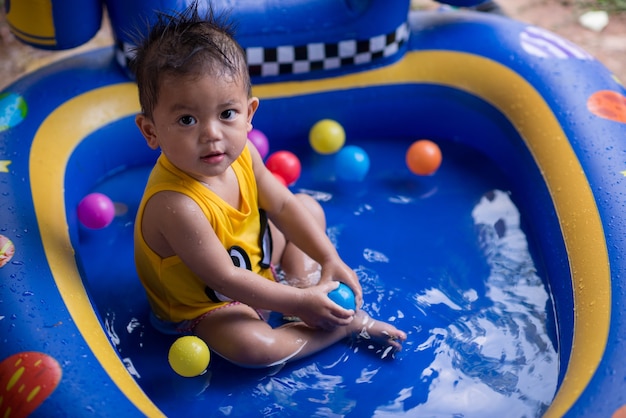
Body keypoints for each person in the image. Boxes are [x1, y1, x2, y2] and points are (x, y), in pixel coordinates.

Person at [130, 4, 406, 368]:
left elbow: (284, 208)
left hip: (257, 261)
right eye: (186, 119)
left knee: (307, 207)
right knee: (254, 348)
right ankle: (341, 325)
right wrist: (296, 303)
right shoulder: (175, 204)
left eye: (226, 113)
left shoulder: (243, 155)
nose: (212, 134)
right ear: (151, 132)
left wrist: (329, 259)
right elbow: (225, 278)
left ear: (249, 114)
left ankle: (310, 290)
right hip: (210, 304)